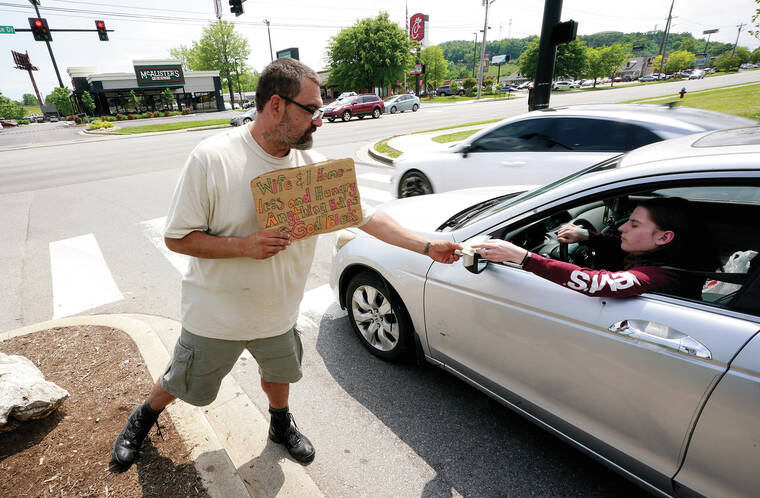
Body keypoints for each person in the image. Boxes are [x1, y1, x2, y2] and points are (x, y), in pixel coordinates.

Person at [110, 58, 462, 471]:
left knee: (279, 376)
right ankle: (142, 418)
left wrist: (427, 246)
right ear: (276, 105)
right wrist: (244, 246)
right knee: (181, 380)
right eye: (311, 110)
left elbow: (367, 218)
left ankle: (280, 424)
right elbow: (177, 237)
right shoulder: (212, 158)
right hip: (215, 314)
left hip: (278, 313)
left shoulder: (313, 170)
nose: (320, 120)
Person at [470, 197, 717, 299]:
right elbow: (619, 245)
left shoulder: (659, 275)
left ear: (664, 237)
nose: (622, 228)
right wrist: (587, 235)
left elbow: (596, 283)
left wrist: (523, 257)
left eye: (634, 224)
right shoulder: (674, 255)